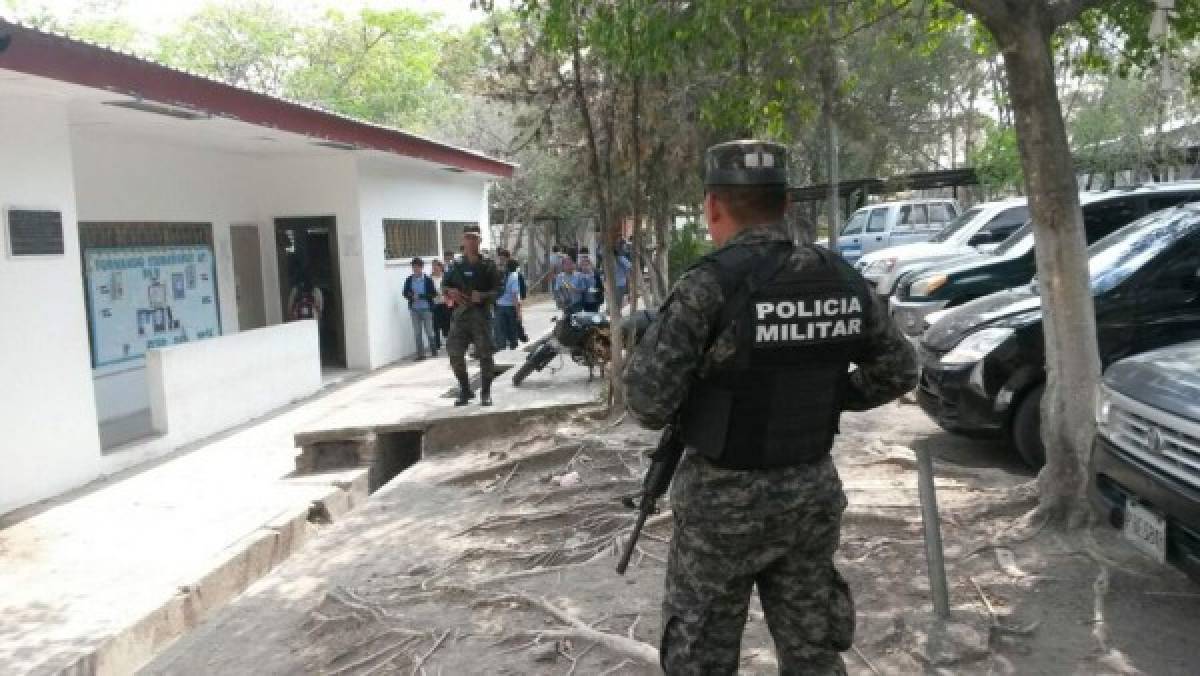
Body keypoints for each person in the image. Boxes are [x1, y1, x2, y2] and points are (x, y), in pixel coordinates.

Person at [623, 140, 917, 674]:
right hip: (809, 495)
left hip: (721, 505)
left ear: (713, 205)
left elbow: (647, 401)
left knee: (701, 655)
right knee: (813, 652)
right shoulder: (839, 276)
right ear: (784, 205)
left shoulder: (707, 285)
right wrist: (830, 397)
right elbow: (900, 369)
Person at [442, 225, 504, 406]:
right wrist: (450, 291)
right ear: (463, 240)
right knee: (454, 354)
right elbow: (444, 286)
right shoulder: (455, 266)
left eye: (474, 237)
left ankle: (485, 393)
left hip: (480, 317)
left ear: (480, 240)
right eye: (467, 237)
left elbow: (499, 291)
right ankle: (465, 389)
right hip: (460, 318)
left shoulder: (488, 265)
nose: (471, 241)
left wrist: (483, 296)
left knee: (485, 356)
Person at [402, 257, 438, 360]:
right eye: (414, 267)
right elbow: (404, 292)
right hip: (414, 310)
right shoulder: (409, 279)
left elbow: (433, 294)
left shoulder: (428, 280)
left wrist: (421, 296)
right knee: (417, 332)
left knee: (429, 331)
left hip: (426, 309)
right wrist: (410, 296)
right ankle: (421, 354)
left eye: (417, 267)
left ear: (421, 267)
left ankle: (433, 349)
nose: (415, 269)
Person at [493, 258, 522, 351]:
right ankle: (513, 349)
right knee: (512, 329)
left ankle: (501, 348)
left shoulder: (501, 275)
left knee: (500, 329)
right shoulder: (514, 276)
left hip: (499, 305)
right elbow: (514, 295)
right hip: (510, 307)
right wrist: (518, 312)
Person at [430, 259, 451, 348]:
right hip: (435, 304)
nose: (435, 268)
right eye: (433, 266)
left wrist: (445, 293)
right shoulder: (430, 278)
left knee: (447, 323)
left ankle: (448, 341)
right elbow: (429, 290)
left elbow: (450, 288)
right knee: (436, 324)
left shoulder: (445, 277)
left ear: (440, 267)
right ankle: (437, 344)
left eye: (436, 266)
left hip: (445, 303)